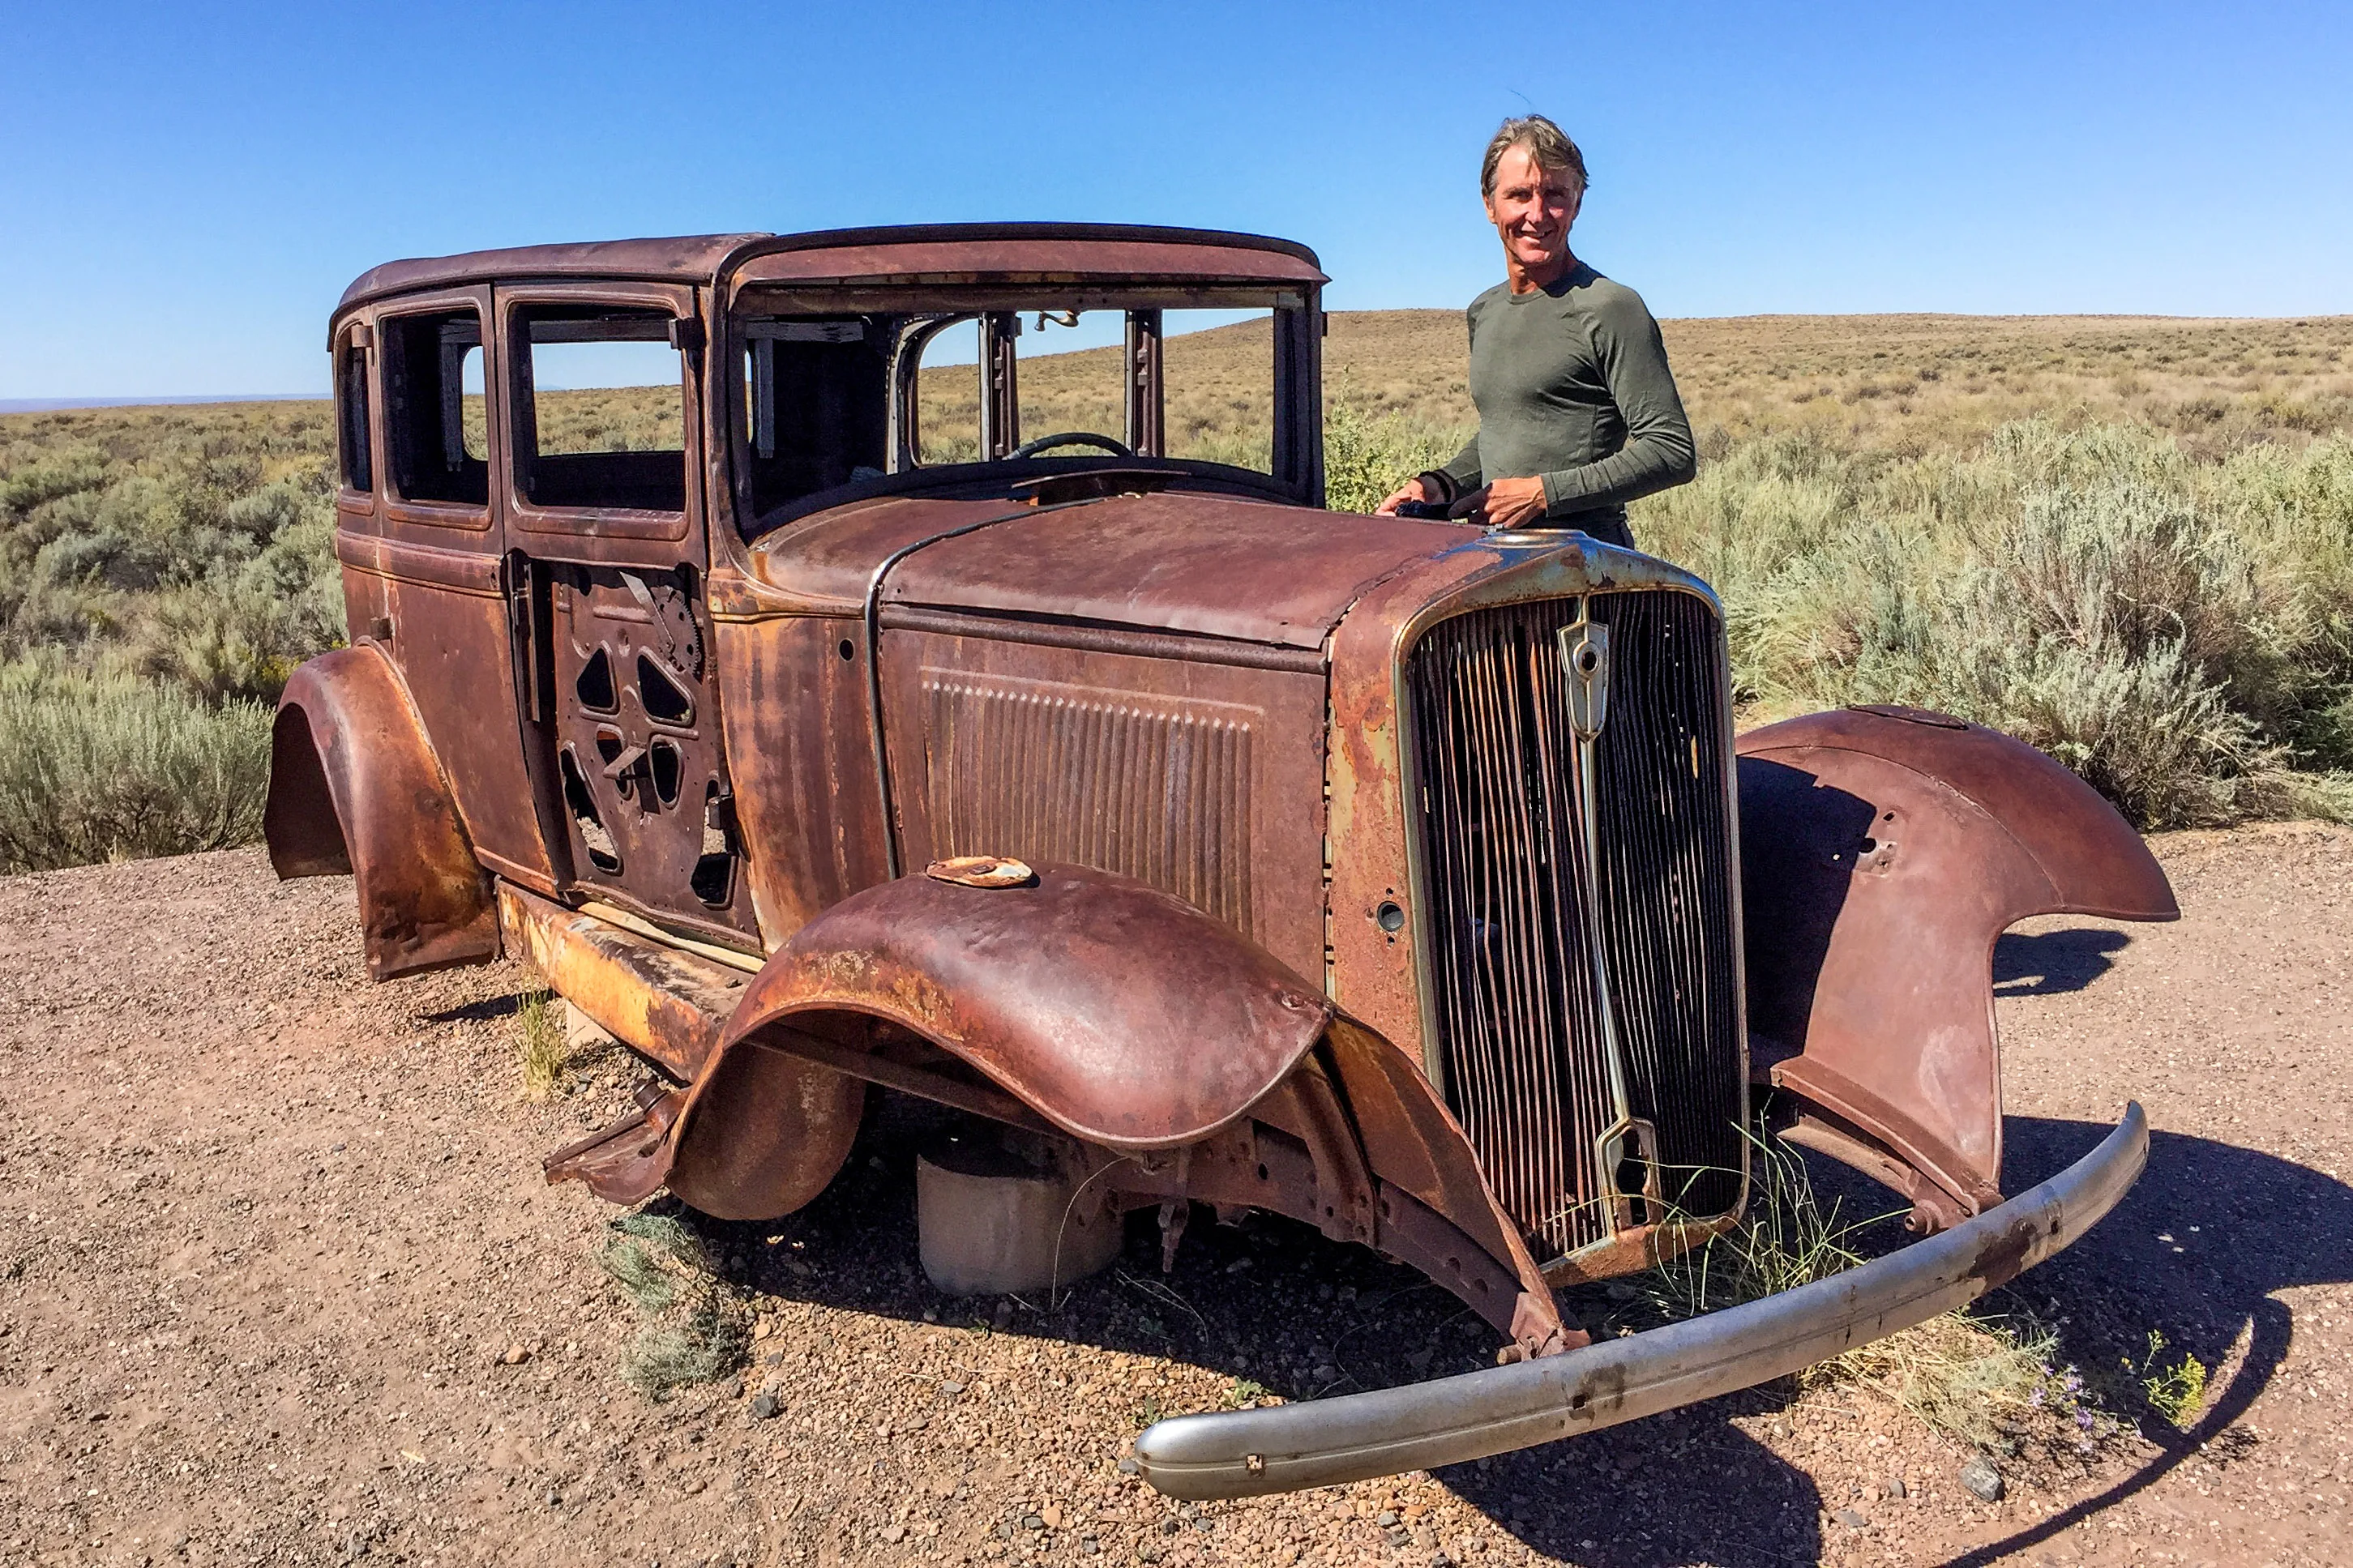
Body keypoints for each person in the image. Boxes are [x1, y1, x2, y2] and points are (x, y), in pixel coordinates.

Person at [1377, 116, 1696, 547]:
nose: (1537, 214)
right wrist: (1441, 485)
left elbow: (1671, 449)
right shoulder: (1485, 311)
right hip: (1497, 557)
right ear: (1490, 206)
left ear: (1578, 203)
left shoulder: (1609, 307)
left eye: (1555, 195)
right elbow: (1508, 431)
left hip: (1589, 564)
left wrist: (1544, 493)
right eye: (1519, 195)